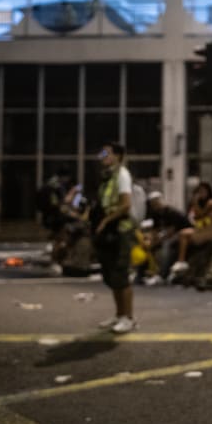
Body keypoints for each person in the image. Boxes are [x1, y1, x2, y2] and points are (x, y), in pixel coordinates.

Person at [93, 142, 137, 334]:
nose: (102, 156)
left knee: (121, 274)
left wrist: (106, 221)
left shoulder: (122, 175)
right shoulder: (108, 177)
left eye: (107, 153)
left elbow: (125, 204)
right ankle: (119, 315)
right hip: (109, 229)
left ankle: (128, 318)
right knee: (111, 274)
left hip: (120, 230)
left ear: (118, 156)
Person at [168, 182, 212, 280]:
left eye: (203, 191)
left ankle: (181, 261)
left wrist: (195, 202)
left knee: (184, 235)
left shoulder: (211, 203)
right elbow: (196, 218)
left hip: (210, 231)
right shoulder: (201, 203)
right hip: (201, 229)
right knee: (181, 236)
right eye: (199, 191)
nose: (201, 194)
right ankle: (181, 263)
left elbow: (200, 214)